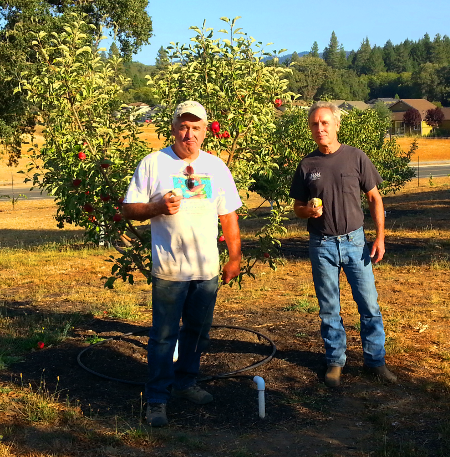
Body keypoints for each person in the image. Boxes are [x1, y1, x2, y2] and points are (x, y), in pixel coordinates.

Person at [122, 100, 242, 425]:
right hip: (170, 269)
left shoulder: (217, 167)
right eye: (184, 126)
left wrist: (234, 256)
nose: (189, 133)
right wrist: (156, 207)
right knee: (163, 336)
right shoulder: (153, 164)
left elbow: (228, 215)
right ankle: (158, 398)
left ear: (206, 131)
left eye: (196, 127)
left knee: (197, 332)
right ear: (174, 127)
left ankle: (187, 381)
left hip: (206, 271)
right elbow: (128, 209)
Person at [289, 101, 397, 388]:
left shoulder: (356, 157)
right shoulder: (307, 165)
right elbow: (297, 207)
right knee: (329, 309)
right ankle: (335, 361)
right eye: (315, 124)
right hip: (321, 245)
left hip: (355, 242)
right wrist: (308, 212)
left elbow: (375, 199)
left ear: (337, 125)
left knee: (369, 305)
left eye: (325, 123)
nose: (320, 128)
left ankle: (375, 361)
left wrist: (380, 237)